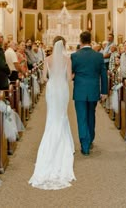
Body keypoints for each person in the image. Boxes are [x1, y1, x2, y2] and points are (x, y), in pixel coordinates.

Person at [29, 36, 75, 190]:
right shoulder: (67, 60)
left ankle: (50, 137)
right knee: (62, 114)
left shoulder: (47, 59)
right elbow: (69, 78)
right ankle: (63, 140)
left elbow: (43, 79)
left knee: (52, 115)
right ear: (64, 45)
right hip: (62, 88)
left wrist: (50, 80)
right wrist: (74, 75)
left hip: (51, 88)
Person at [71, 31, 107, 156]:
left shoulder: (75, 56)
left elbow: (71, 73)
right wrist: (104, 91)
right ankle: (90, 139)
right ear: (91, 41)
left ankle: (84, 145)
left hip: (80, 90)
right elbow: (103, 74)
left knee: (82, 117)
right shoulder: (98, 56)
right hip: (93, 89)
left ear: (80, 41)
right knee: (91, 115)